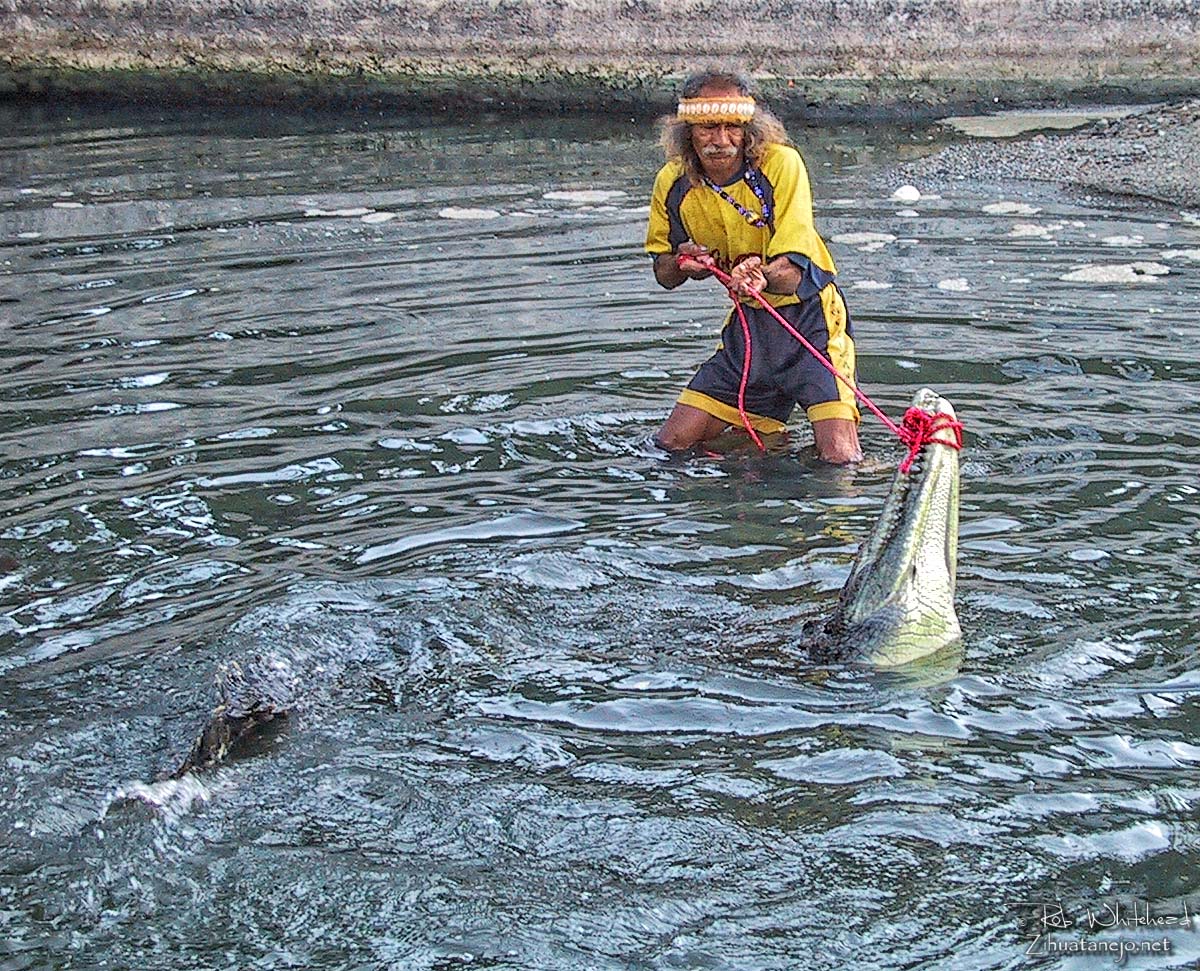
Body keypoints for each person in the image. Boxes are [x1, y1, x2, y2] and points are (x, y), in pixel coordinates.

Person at [645, 69, 862, 463]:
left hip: (811, 324)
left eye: (733, 127)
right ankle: (769, 449)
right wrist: (683, 263)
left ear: (750, 129)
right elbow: (663, 272)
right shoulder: (672, 183)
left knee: (841, 457)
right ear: (687, 131)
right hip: (749, 329)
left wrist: (762, 274)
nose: (721, 141)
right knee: (671, 445)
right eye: (708, 128)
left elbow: (795, 269)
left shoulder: (781, 164)